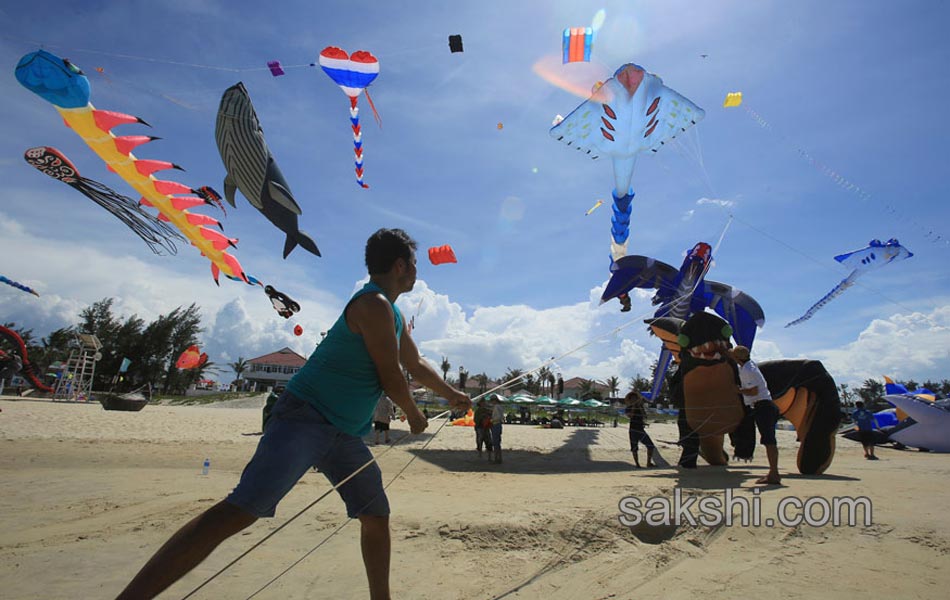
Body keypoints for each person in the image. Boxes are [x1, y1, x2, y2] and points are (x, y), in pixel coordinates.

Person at [115, 228, 471, 600]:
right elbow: (391, 374)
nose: (417, 271)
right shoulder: (373, 305)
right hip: (305, 417)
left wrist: (453, 394)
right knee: (241, 509)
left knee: (375, 514)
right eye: (414, 264)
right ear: (400, 265)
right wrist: (413, 413)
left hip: (343, 434)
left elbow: (413, 363)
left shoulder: (391, 312)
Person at [730, 345, 781, 485]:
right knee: (768, 440)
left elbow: (753, 391)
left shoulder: (748, 370)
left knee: (769, 441)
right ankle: (773, 472)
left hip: (763, 406)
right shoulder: (748, 365)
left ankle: (774, 473)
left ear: (737, 358)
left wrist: (738, 391)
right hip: (764, 405)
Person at [624, 391, 656, 468]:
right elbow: (630, 416)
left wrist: (640, 407)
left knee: (650, 446)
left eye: (635, 398)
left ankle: (648, 463)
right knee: (634, 448)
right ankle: (637, 464)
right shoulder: (628, 408)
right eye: (632, 399)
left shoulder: (640, 407)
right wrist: (634, 407)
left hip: (641, 429)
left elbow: (645, 416)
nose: (634, 400)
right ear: (630, 400)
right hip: (633, 430)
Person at [490, 396, 505, 464]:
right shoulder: (500, 407)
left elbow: (498, 417)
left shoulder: (496, 407)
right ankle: (499, 458)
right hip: (499, 425)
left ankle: (496, 458)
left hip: (496, 424)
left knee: (495, 442)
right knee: (498, 442)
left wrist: (491, 420)